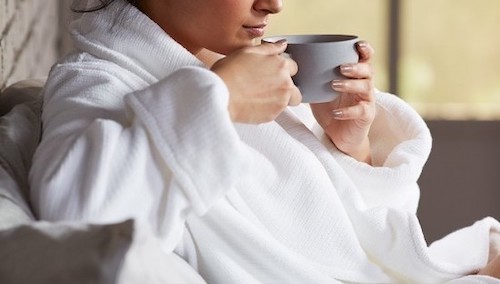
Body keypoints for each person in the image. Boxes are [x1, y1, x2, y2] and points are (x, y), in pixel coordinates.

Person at [29, 0, 500, 282]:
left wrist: (349, 148)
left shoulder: (220, 65)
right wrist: (223, 99)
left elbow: (333, 233)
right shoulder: (96, 82)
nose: (274, 4)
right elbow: (79, 219)